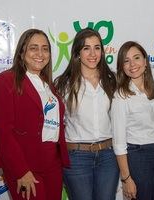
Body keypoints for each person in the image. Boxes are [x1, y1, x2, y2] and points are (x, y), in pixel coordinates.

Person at [0, 28, 69, 200]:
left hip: (53, 165)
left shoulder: (48, 85)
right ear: (22, 52)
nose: (40, 53)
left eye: (45, 48)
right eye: (33, 48)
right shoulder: (6, 80)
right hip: (26, 165)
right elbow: (3, 132)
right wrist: (21, 170)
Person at [54, 28, 119, 200]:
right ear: (77, 52)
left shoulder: (112, 81)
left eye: (97, 47)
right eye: (86, 48)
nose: (92, 53)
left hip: (108, 156)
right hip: (76, 158)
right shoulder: (63, 84)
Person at [111, 41, 154, 200]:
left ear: (145, 61)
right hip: (138, 156)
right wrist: (126, 178)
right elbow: (119, 142)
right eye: (126, 60)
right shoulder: (121, 96)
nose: (132, 64)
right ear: (122, 67)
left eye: (136, 58)